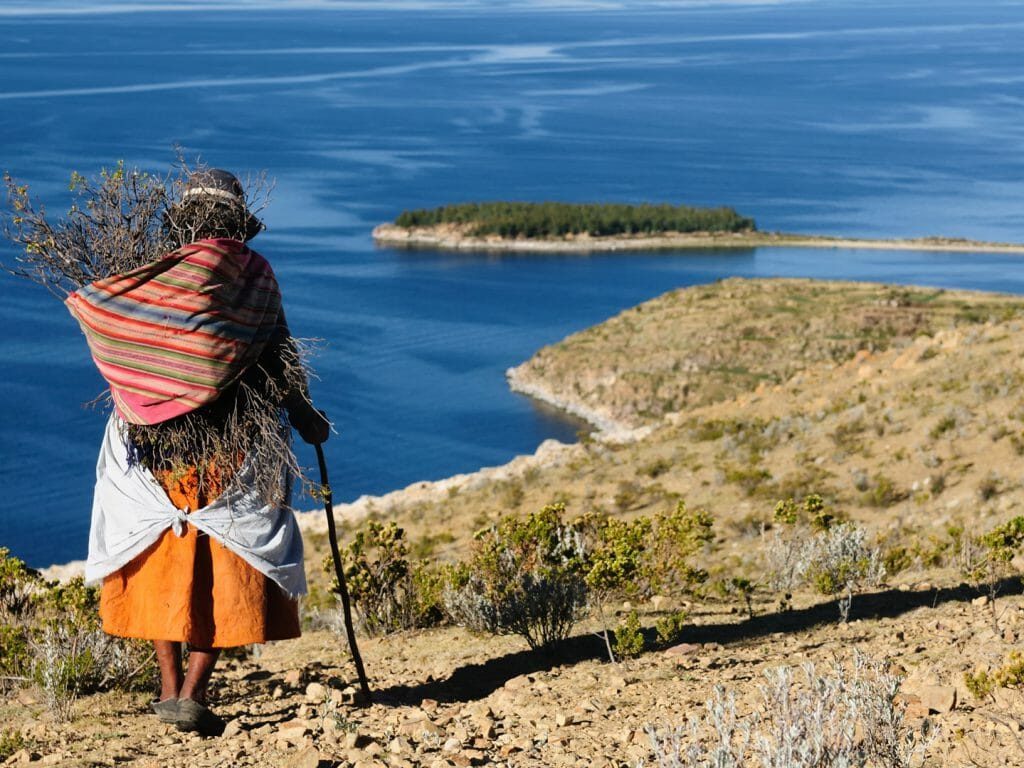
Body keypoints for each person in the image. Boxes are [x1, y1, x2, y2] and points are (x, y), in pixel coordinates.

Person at [65, 169, 329, 736]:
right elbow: (279, 351)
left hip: (154, 449)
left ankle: (169, 688)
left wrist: (152, 382)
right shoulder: (255, 272)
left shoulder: (148, 277)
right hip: (233, 447)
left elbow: (109, 324)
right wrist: (306, 418)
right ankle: (193, 690)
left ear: (184, 223)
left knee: (162, 558)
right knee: (224, 563)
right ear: (237, 222)